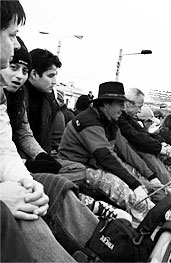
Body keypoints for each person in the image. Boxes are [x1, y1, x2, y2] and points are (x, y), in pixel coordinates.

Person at [0, 3, 99, 261]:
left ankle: (106, 244)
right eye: (11, 35)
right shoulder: (19, 97)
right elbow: (20, 138)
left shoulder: (33, 99)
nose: (14, 45)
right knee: (24, 211)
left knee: (52, 187)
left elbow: (6, 145)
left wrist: (26, 180)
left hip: (21, 169)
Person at [58, 81, 158, 216]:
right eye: (120, 104)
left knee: (136, 177)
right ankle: (157, 214)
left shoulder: (110, 122)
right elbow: (105, 157)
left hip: (93, 167)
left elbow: (126, 151)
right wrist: (134, 185)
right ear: (106, 104)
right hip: (75, 170)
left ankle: (163, 196)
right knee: (114, 183)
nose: (123, 108)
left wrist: (149, 177)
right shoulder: (88, 121)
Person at [1, 36, 62, 174]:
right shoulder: (13, 95)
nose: (20, 76)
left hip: (14, 163)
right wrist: (27, 164)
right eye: (14, 67)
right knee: (59, 184)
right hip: (12, 165)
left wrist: (42, 156)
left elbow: (24, 133)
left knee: (75, 170)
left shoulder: (20, 97)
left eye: (24, 71)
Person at [117, 87, 171, 184]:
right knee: (147, 153)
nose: (140, 111)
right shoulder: (120, 119)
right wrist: (161, 148)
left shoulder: (125, 117)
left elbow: (141, 133)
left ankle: (170, 184)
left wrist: (161, 144)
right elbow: (136, 137)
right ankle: (170, 185)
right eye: (139, 106)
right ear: (128, 104)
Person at [24, 48, 64, 154]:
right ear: (34, 74)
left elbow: (45, 141)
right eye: (50, 76)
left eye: (55, 76)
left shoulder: (49, 102)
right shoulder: (17, 96)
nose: (54, 82)